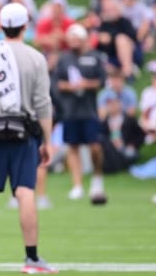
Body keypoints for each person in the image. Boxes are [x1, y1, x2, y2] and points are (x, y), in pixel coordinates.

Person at [0, 3, 56, 273]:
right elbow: (43, 104)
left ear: (0, 25)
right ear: (25, 25)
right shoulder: (36, 57)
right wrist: (47, 140)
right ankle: (32, 259)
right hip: (24, 134)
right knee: (26, 192)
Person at [55, 24, 108, 203]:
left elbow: (102, 81)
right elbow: (58, 83)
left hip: (89, 109)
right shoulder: (65, 59)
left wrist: (87, 84)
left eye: (76, 38)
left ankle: (97, 178)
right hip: (70, 109)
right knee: (73, 147)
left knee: (95, 147)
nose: (73, 42)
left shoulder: (95, 57)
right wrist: (70, 86)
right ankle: (77, 185)